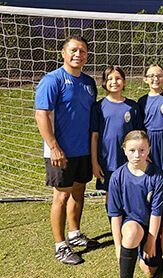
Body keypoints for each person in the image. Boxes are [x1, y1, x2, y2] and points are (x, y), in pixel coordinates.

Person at [34, 35, 99, 265]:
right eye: (73, 50)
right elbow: (41, 114)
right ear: (63, 53)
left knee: (79, 191)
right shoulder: (52, 80)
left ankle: (75, 233)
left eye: (82, 51)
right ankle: (61, 246)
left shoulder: (89, 83)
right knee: (61, 196)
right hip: (60, 151)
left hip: (82, 150)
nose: (78, 54)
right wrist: (54, 147)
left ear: (87, 55)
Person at [107, 130, 163, 278]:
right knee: (132, 232)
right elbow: (115, 215)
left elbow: (156, 212)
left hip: (153, 227)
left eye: (142, 150)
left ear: (149, 149)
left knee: (150, 272)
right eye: (132, 150)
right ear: (124, 149)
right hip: (131, 224)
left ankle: (141, 254)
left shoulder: (157, 176)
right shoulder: (117, 177)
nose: (137, 155)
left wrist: (151, 241)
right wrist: (118, 247)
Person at [90, 65, 140, 194]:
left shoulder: (132, 107)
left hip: (129, 159)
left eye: (118, 78)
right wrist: (95, 163)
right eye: (110, 79)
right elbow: (94, 137)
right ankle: (113, 215)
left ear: (124, 82)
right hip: (108, 160)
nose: (114, 82)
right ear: (104, 83)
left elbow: (140, 135)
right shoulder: (98, 107)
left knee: (129, 193)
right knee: (111, 194)